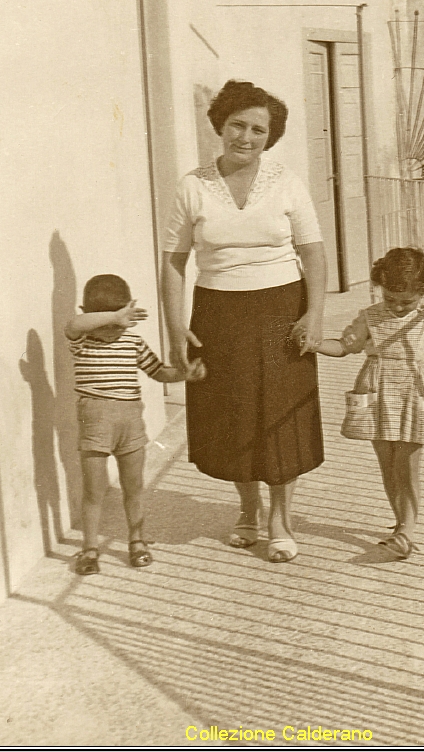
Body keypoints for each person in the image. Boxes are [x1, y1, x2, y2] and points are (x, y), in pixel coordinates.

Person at [162, 80, 326, 563]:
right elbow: (173, 261)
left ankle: (281, 520)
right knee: (234, 414)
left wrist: (314, 313)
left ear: (270, 137)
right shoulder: (192, 186)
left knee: (280, 414)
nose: (246, 137)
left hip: (282, 310)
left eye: (258, 130)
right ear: (220, 125)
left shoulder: (287, 182)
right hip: (218, 313)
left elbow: (313, 253)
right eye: (238, 125)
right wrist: (175, 327)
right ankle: (248, 509)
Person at [315, 248, 424, 560]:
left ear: (423, 293)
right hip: (376, 391)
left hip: (415, 392)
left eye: (407, 301)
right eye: (390, 299)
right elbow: (345, 346)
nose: (398, 307)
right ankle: (401, 525)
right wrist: (314, 344)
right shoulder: (369, 316)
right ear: (381, 288)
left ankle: (407, 531)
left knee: (407, 464)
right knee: (388, 464)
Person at [66, 273, 204, 575]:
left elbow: (159, 372)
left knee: (134, 487)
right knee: (93, 491)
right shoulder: (82, 342)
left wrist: (185, 374)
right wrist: (115, 316)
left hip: (130, 423)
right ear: (88, 314)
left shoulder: (132, 341)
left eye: (119, 323)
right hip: (95, 424)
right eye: (105, 322)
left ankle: (137, 541)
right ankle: (89, 549)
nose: (112, 329)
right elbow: (74, 325)